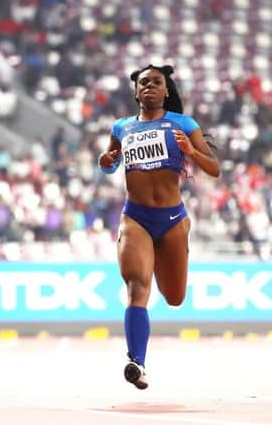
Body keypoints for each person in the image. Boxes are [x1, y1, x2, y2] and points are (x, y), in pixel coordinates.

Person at [98, 64, 220, 390]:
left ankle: (139, 355)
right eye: (143, 82)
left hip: (172, 221)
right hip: (135, 217)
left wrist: (191, 151)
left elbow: (214, 169)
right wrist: (105, 161)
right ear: (136, 92)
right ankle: (136, 362)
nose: (149, 86)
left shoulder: (182, 124)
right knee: (137, 288)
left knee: (175, 297)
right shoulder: (122, 127)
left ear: (166, 91)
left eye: (156, 82)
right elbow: (110, 162)